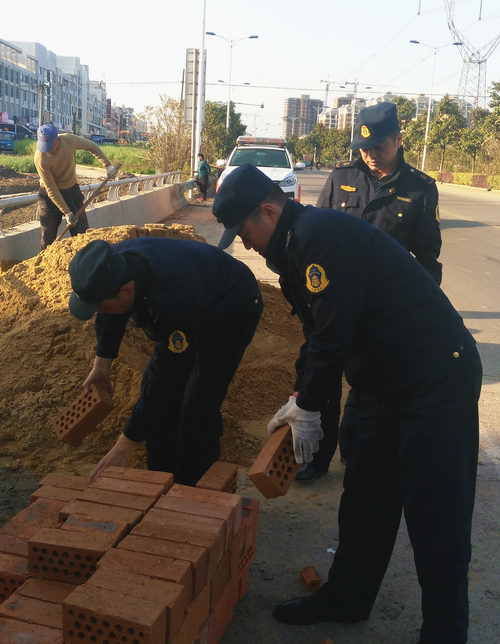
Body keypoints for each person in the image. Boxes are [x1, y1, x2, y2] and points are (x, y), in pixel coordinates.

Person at [214, 163, 481, 643]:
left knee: (436, 517)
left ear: (268, 211)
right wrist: (299, 397)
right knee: (365, 501)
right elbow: (316, 334)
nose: (245, 244)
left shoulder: (317, 237)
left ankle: (445, 632)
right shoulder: (295, 246)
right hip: (381, 383)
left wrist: (310, 405)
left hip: (436, 380)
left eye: (245, 232)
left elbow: (333, 336)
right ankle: (348, 599)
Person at [303, 101, 443, 481]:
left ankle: (354, 451)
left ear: (398, 139)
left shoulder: (419, 189)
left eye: (378, 147)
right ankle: (317, 456)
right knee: (324, 376)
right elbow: (316, 234)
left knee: (369, 383)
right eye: (364, 148)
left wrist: (420, 312)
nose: (370, 156)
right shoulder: (342, 177)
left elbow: (427, 258)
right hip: (335, 302)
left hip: (383, 310)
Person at [67, 236, 262, 486]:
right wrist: (101, 366)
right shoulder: (110, 268)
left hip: (230, 308)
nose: (102, 312)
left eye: (102, 307)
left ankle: (196, 488)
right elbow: (109, 314)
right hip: (194, 299)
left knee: (197, 402)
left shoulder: (172, 292)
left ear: (126, 291)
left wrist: (123, 446)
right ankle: (159, 480)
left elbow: (165, 374)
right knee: (162, 407)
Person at [34, 124, 116, 250]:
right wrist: (67, 212)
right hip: (49, 198)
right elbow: (51, 189)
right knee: (47, 239)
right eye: (44, 146)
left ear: (57, 139)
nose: (47, 150)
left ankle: (84, 259)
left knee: (82, 234)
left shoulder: (69, 140)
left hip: (71, 192)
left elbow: (91, 146)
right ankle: (44, 261)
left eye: (49, 145)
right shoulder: (40, 158)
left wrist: (108, 165)